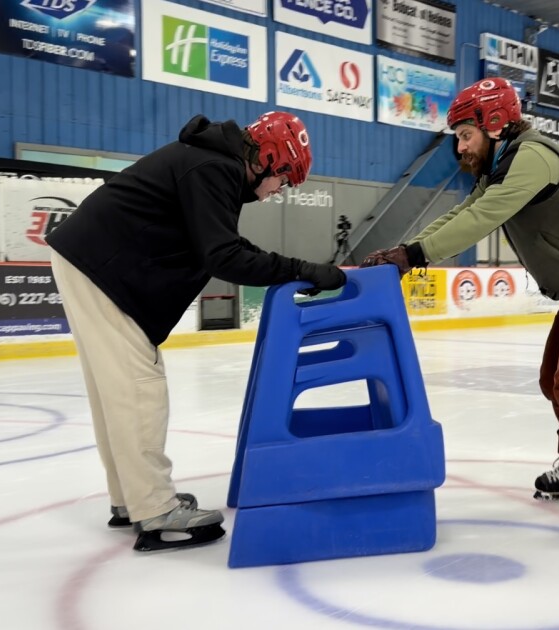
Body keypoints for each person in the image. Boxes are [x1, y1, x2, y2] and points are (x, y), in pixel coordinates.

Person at [361, 78, 559, 536]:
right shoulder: (500, 167)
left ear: (496, 124)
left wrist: (416, 257)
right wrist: (407, 249)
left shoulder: (532, 158)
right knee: (555, 381)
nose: (460, 147)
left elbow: (484, 218)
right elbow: (464, 212)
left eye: (466, 135)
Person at [46, 112, 347, 552]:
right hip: (105, 269)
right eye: (282, 181)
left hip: (90, 261)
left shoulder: (209, 162)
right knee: (138, 389)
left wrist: (298, 267)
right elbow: (223, 256)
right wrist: (302, 270)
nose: (276, 192)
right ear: (266, 159)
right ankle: (154, 509)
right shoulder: (214, 168)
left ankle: (131, 498)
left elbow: (225, 244)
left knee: (114, 392)